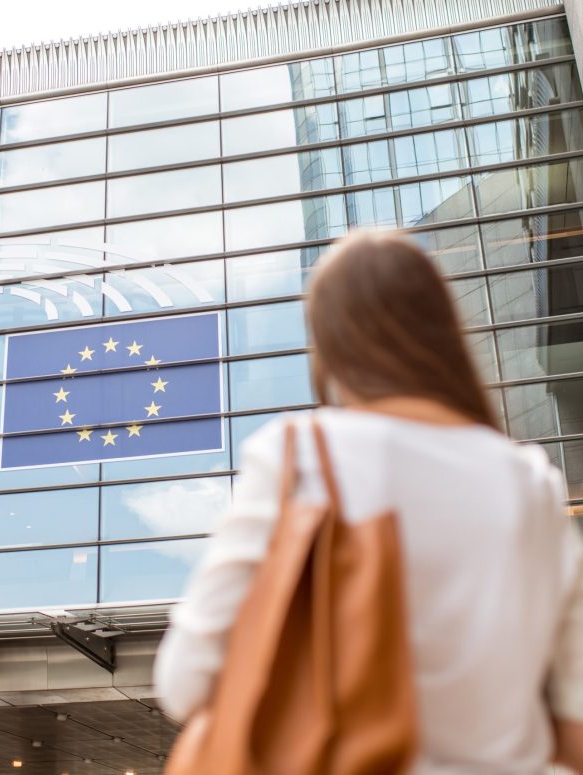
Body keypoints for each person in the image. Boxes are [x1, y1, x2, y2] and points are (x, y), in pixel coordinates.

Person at [154, 231, 583, 772]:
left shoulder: (300, 455)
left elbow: (184, 680)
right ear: (443, 334)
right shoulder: (533, 483)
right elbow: (575, 715)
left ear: (331, 347)